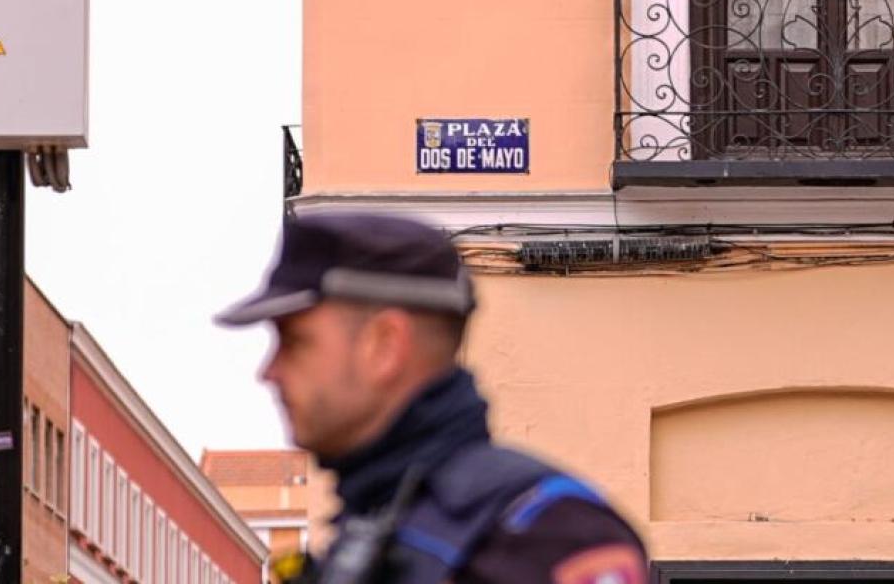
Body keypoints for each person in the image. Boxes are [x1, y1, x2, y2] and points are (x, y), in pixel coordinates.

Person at [217, 213, 649, 584]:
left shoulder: (548, 533)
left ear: (384, 345)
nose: (268, 372)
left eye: (295, 342)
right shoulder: (372, 526)